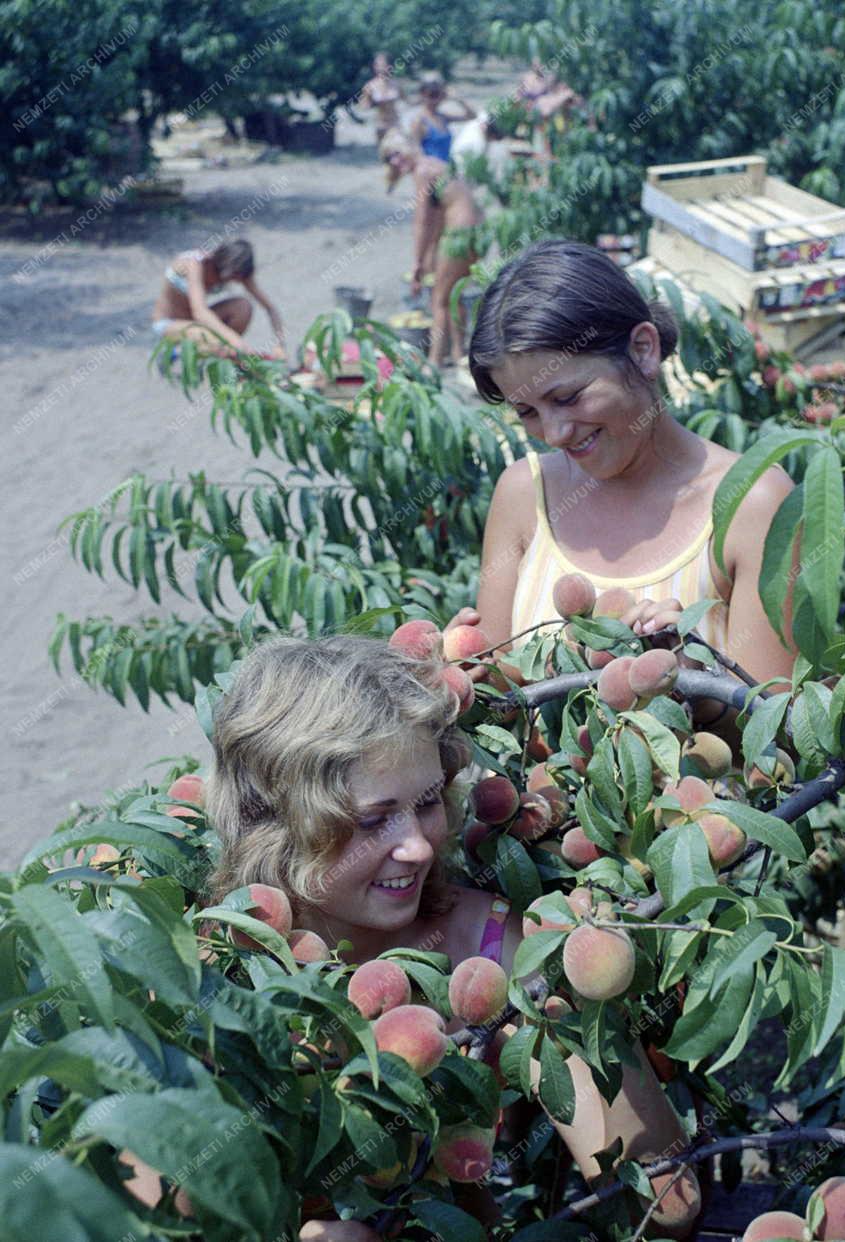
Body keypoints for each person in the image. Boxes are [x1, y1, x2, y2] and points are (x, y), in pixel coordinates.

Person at [206, 634, 701, 1238]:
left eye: (428, 801)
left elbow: (665, 1202)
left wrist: (577, 994)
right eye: (372, 820)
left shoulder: (492, 951)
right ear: (278, 828)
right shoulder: (224, 986)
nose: (416, 846)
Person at [451, 239, 796, 733]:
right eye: (526, 412)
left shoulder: (752, 504)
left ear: (643, 349)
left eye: (568, 396)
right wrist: (459, 681)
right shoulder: (523, 494)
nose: (554, 433)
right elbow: (501, 711)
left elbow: (780, 750)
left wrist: (694, 687)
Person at [380, 130, 483, 367]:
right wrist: (429, 257)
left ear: (410, 146)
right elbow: (438, 217)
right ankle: (458, 353)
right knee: (455, 294)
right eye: (389, 159)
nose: (395, 161)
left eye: (396, 153)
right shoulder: (437, 164)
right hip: (475, 232)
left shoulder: (422, 170)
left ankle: (435, 360)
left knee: (439, 299)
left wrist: (417, 263)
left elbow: (422, 221)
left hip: (458, 232)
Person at [151, 239, 285, 358]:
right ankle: (177, 352)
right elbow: (200, 312)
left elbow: (270, 308)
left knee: (243, 307)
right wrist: (235, 341)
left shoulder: (240, 273)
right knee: (216, 341)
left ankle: (222, 354)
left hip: (194, 321)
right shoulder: (194, 264)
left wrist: (279, 345)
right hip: (168, 323)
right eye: (232, 275)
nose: (233, 280)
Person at [409, 73, 476, 166]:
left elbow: (471, 116)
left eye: (437, 94)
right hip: (430, 172)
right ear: (422, 94)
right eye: (431, 94)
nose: (435, 98)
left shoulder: (443, 117)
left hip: (446, 170)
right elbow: (417, 152)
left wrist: (458, 99)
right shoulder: (419, 121)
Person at [358, 53, 403, 146]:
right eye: (377, 65)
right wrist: (371, 102)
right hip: (380, 125)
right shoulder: (370, 86)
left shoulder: (396, 84)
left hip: (395, 123)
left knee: (397, 149)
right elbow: (363, 106)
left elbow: (407, 100)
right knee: (384, 153)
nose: (380, 68)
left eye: (383, 64)